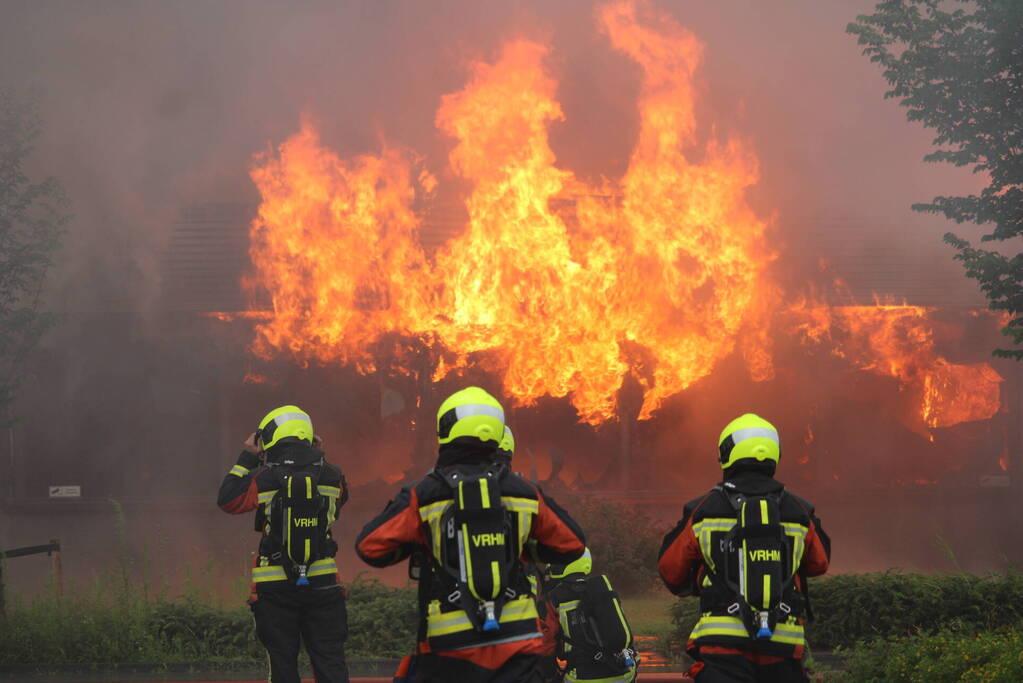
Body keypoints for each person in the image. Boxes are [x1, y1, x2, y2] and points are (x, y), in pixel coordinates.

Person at [356, 386, 586, 683]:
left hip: (451, 645)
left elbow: (370, 547)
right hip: (518, 642)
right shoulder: (524, 493)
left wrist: (424, 542)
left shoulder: (425, 493)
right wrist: (520, 549)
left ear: (446, 430)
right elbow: (573, 545)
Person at [658, 413, 830, 683]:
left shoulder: (705, 510)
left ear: (727, 452)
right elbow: (819, 564)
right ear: (775, 454)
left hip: (722, 647)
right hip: (783, 648)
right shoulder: (799, 511)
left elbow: (671, 571)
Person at [218, 405, 350, 683]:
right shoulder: (333, 475)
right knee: (330, 659)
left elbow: (228, 500)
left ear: (268, 439)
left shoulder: (263, 478)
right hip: (323, 582)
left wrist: (248, 457)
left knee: (282, 663)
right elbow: (340, 501)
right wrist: (316, 455)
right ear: (309, 437)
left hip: (274, 585)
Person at [542, 548, 638, 683]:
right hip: (624, 675)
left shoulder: (554, 598)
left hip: (582, 678)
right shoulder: (602, 590)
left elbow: (546, 648)